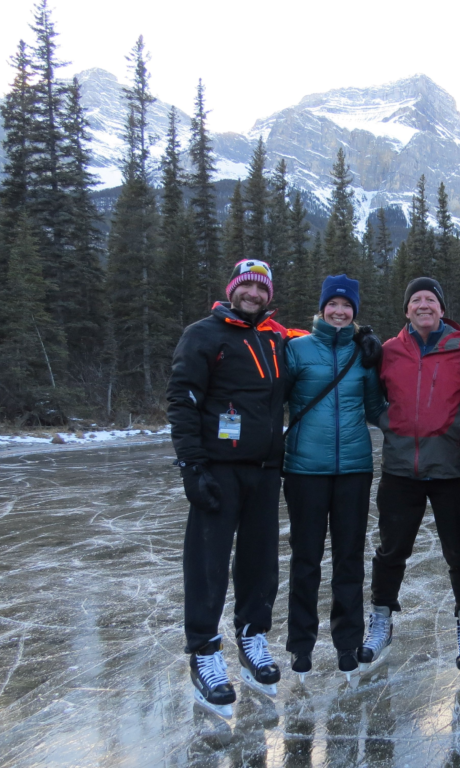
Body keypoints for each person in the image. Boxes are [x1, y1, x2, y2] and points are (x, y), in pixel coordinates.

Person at [167, 258, 295, 717]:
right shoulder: (204, 334)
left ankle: (252, 638)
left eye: (261, 289)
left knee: (260, 561)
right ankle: (204, 652)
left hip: (264, 469)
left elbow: (315, 349)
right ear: (233, 289)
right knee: (207, 564)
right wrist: (191, 465)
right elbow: (182, 399)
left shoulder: (276, 338)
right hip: (217, 468)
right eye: (247, 287)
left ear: (269, 296)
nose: (253, 295)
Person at [358, 278, 460, 673]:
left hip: (451, 470)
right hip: (400, 469)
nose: (423, 304)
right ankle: (382, 618)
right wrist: (389, 420)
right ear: (406, 310)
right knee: (392, 550)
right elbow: (369, 397)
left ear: (442, 308)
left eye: (430, 298)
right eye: (415, 299)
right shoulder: (390, 351)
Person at [282, 274, 386, 682]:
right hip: (304, 470)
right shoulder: (297, 350)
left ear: (354, 312)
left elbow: (377, 408)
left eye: (347, 306)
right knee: (305, 560)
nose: (340, 312)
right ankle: (301, 646)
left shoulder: (363, 354)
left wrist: (422, 431)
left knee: (349, 560)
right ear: (322, 308)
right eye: (334, 305)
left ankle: (347, 643)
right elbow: (275, 401)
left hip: (355, 471)